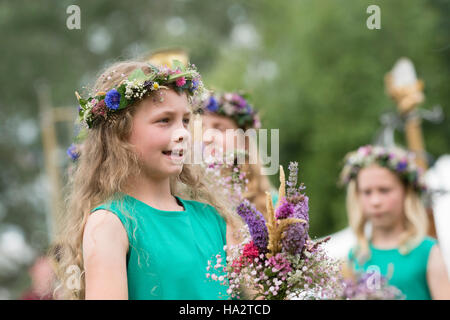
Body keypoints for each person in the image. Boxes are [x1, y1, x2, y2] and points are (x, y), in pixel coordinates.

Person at [52, 60, 242, 300]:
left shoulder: (214, 219)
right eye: (164, 120)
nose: (183, 132)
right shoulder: (109, 224)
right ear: (120, 133)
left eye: (185, 120)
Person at [342, 144, 450, 300]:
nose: (375, 201)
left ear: (406, 193)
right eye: (367, 192)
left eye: (384, 190)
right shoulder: (355, 256)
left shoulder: (427, 251)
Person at [197, 92, 278, 219]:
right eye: (202, 128)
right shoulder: (194, 200)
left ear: (244, 141)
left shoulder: (273, 204)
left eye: (219, 128)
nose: (207, 138)